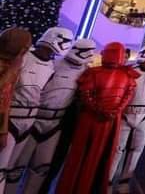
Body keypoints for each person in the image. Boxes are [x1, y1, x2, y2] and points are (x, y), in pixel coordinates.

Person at [9, 39, 96, 194]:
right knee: (17, 166)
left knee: (41, 168)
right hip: (34, 119)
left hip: (55, 124)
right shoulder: (53, 64)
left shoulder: (86, 72)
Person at [55, 42, 139, 194]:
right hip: (103, 119)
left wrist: (106, 110)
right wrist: (113, 111)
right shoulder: (124, 74)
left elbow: (86, 94)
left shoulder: (97, 73)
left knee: (85, 155)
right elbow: (127, 95)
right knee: (91, 154)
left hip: (95, 118)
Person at [0, 27, 73, 191]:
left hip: (30, 120)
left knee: (15, 169)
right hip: (11, 117)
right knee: (2, 168)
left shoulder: (51, 65)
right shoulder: (23, 59)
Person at [110, 46, 145, 193]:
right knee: (117, 148)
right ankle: (108, 179)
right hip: (126, 113)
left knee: (137, 149)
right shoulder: (129, 71)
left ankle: (124, 181)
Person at [0, 28, 32, 152]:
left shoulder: (14, 66)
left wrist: (3, 131)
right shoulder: (12, 67)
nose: (27, 50)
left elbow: (6, 102)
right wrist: (11, 71)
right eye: (26, 47)